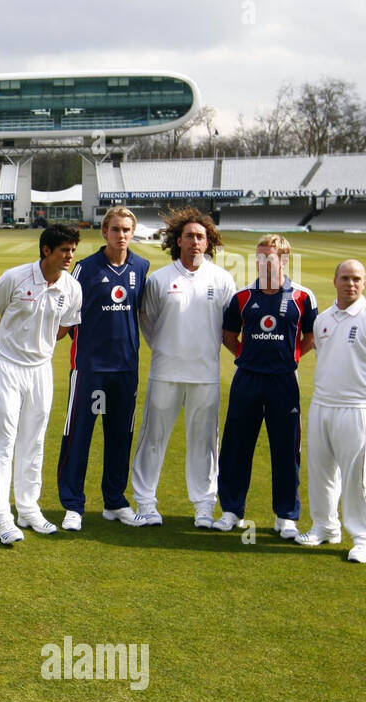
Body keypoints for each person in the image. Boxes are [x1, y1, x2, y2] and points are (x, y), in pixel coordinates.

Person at [126, 208, 236, 527]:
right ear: (178, 240)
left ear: (208, 241)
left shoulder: (222, 279)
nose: (194, 242)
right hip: (165, 372)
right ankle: (146, 502)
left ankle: (203, 506)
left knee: (204, 443)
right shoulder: (160, 280)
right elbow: (147, 322)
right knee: (153, 438)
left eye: (200, 236)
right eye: (189, 236)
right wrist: (165, 349)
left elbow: (229, 325)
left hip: (205, 375)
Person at [296, 259, 366, 563]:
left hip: (357, 408)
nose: (350, 284)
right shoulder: (323, 320)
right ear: (334, 281)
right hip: (322, 404)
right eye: (345, 278)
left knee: (358, 476)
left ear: (364, 283)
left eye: (356, 279)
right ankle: (325, 526)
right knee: (321, 470)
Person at [0, 224, 83, 543]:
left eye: (73, 250)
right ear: (46, 251)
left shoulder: (72, 288)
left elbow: (64, 326)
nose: (70, 256)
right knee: (3, 441)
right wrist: (11, 347)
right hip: (8, 368)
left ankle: (28, 509)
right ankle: (2, 517)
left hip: (41, 371)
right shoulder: (14, 277)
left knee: (35, 440)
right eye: (65, 250)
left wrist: (37, 347)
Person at [214, 235, 316, 536]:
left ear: (284, 260)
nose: (262, 263)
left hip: (284, 381)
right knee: (236, 446)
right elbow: (229, 335)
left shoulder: (302, 297)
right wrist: (247, 357)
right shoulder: (243, 296)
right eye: (258, 257)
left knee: (286, 448)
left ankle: (286, 515)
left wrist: (291, 356)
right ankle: (232, 510)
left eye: (268, 257)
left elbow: (310, 337)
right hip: (247, 378)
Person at [56, 206, 150, 531]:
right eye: (115, 229)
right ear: (104, 232)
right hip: (90, 368)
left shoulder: (142, 266)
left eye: (126, 230)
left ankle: (115, 501)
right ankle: (72, 505)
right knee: (79, 435)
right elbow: (66, 315)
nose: (121, 235)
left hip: (125, 370)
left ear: (132, 233)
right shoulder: (85, 269)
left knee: (120, 437)